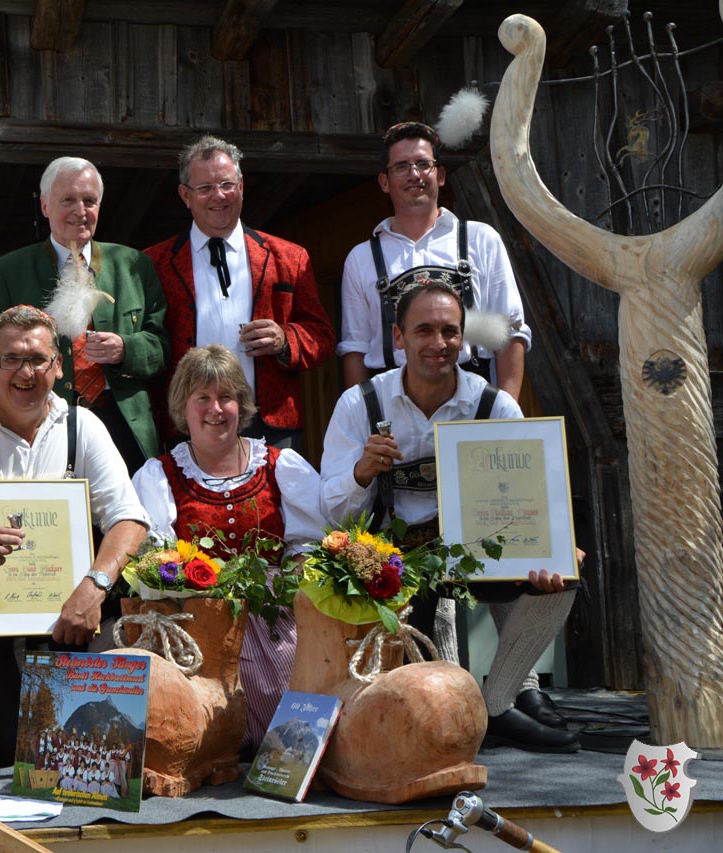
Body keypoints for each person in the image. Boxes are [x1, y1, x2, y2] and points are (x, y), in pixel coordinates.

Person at [320, 282, 579, 752]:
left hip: (470, 552)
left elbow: (528, 498)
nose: (438, 344)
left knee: (564, 579)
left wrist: (552, 544)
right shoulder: (361, 405)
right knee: (416, 691)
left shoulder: (494, 405)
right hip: (393, 562)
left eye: (450, 331)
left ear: (464, 338)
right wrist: (361, 473)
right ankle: (464, 708)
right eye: (424, 330)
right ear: (398, 338)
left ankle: (497, 701)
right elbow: (333, 515)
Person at [0, 306, 150, 766]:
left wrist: (95, 585)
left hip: (76, 624)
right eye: (11, 359)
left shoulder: (81, 426)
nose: (25, 373)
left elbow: (129, 520)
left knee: (85, 765)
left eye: (38, 360)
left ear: (58, 366)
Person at [131, 345, 326, 749]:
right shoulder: (160, 475)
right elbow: (157, 558)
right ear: (183, 408)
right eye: (202, 398)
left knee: (297, 695)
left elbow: (308, 542)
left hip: (278, 615)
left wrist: (293, 577)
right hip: (201, 617)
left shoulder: (279, 464)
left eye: (226, 397)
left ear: (243, 404)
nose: (215, 409)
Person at [145, 136, 334, 451]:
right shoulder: (154, 262)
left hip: (270, 422)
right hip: (186, 424)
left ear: (242, 186)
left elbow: (322, 336)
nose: (218, 196)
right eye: (205, 188)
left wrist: (284, 339)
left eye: (226, 184)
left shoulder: (290, 256)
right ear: (185, 195)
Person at [0, 157, 169, 474]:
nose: (80, 211)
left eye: (89, 201)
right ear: (45, 206)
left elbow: (163, 347)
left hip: (122, 423)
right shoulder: (9, 270)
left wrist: (126, 349)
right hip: (43, 424)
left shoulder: (134, 264)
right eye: (67, 200)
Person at [339, 121, 531, 400]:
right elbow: (355, 349)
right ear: (384, 182)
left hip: (472, 399)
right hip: (392, 403)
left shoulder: (481, 239)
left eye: (423, 164)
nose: (413, 174)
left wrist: (504, 418)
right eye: (401, 166)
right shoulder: (362, 257)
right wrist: (365, 422)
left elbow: (510, 331)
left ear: (440, 175)